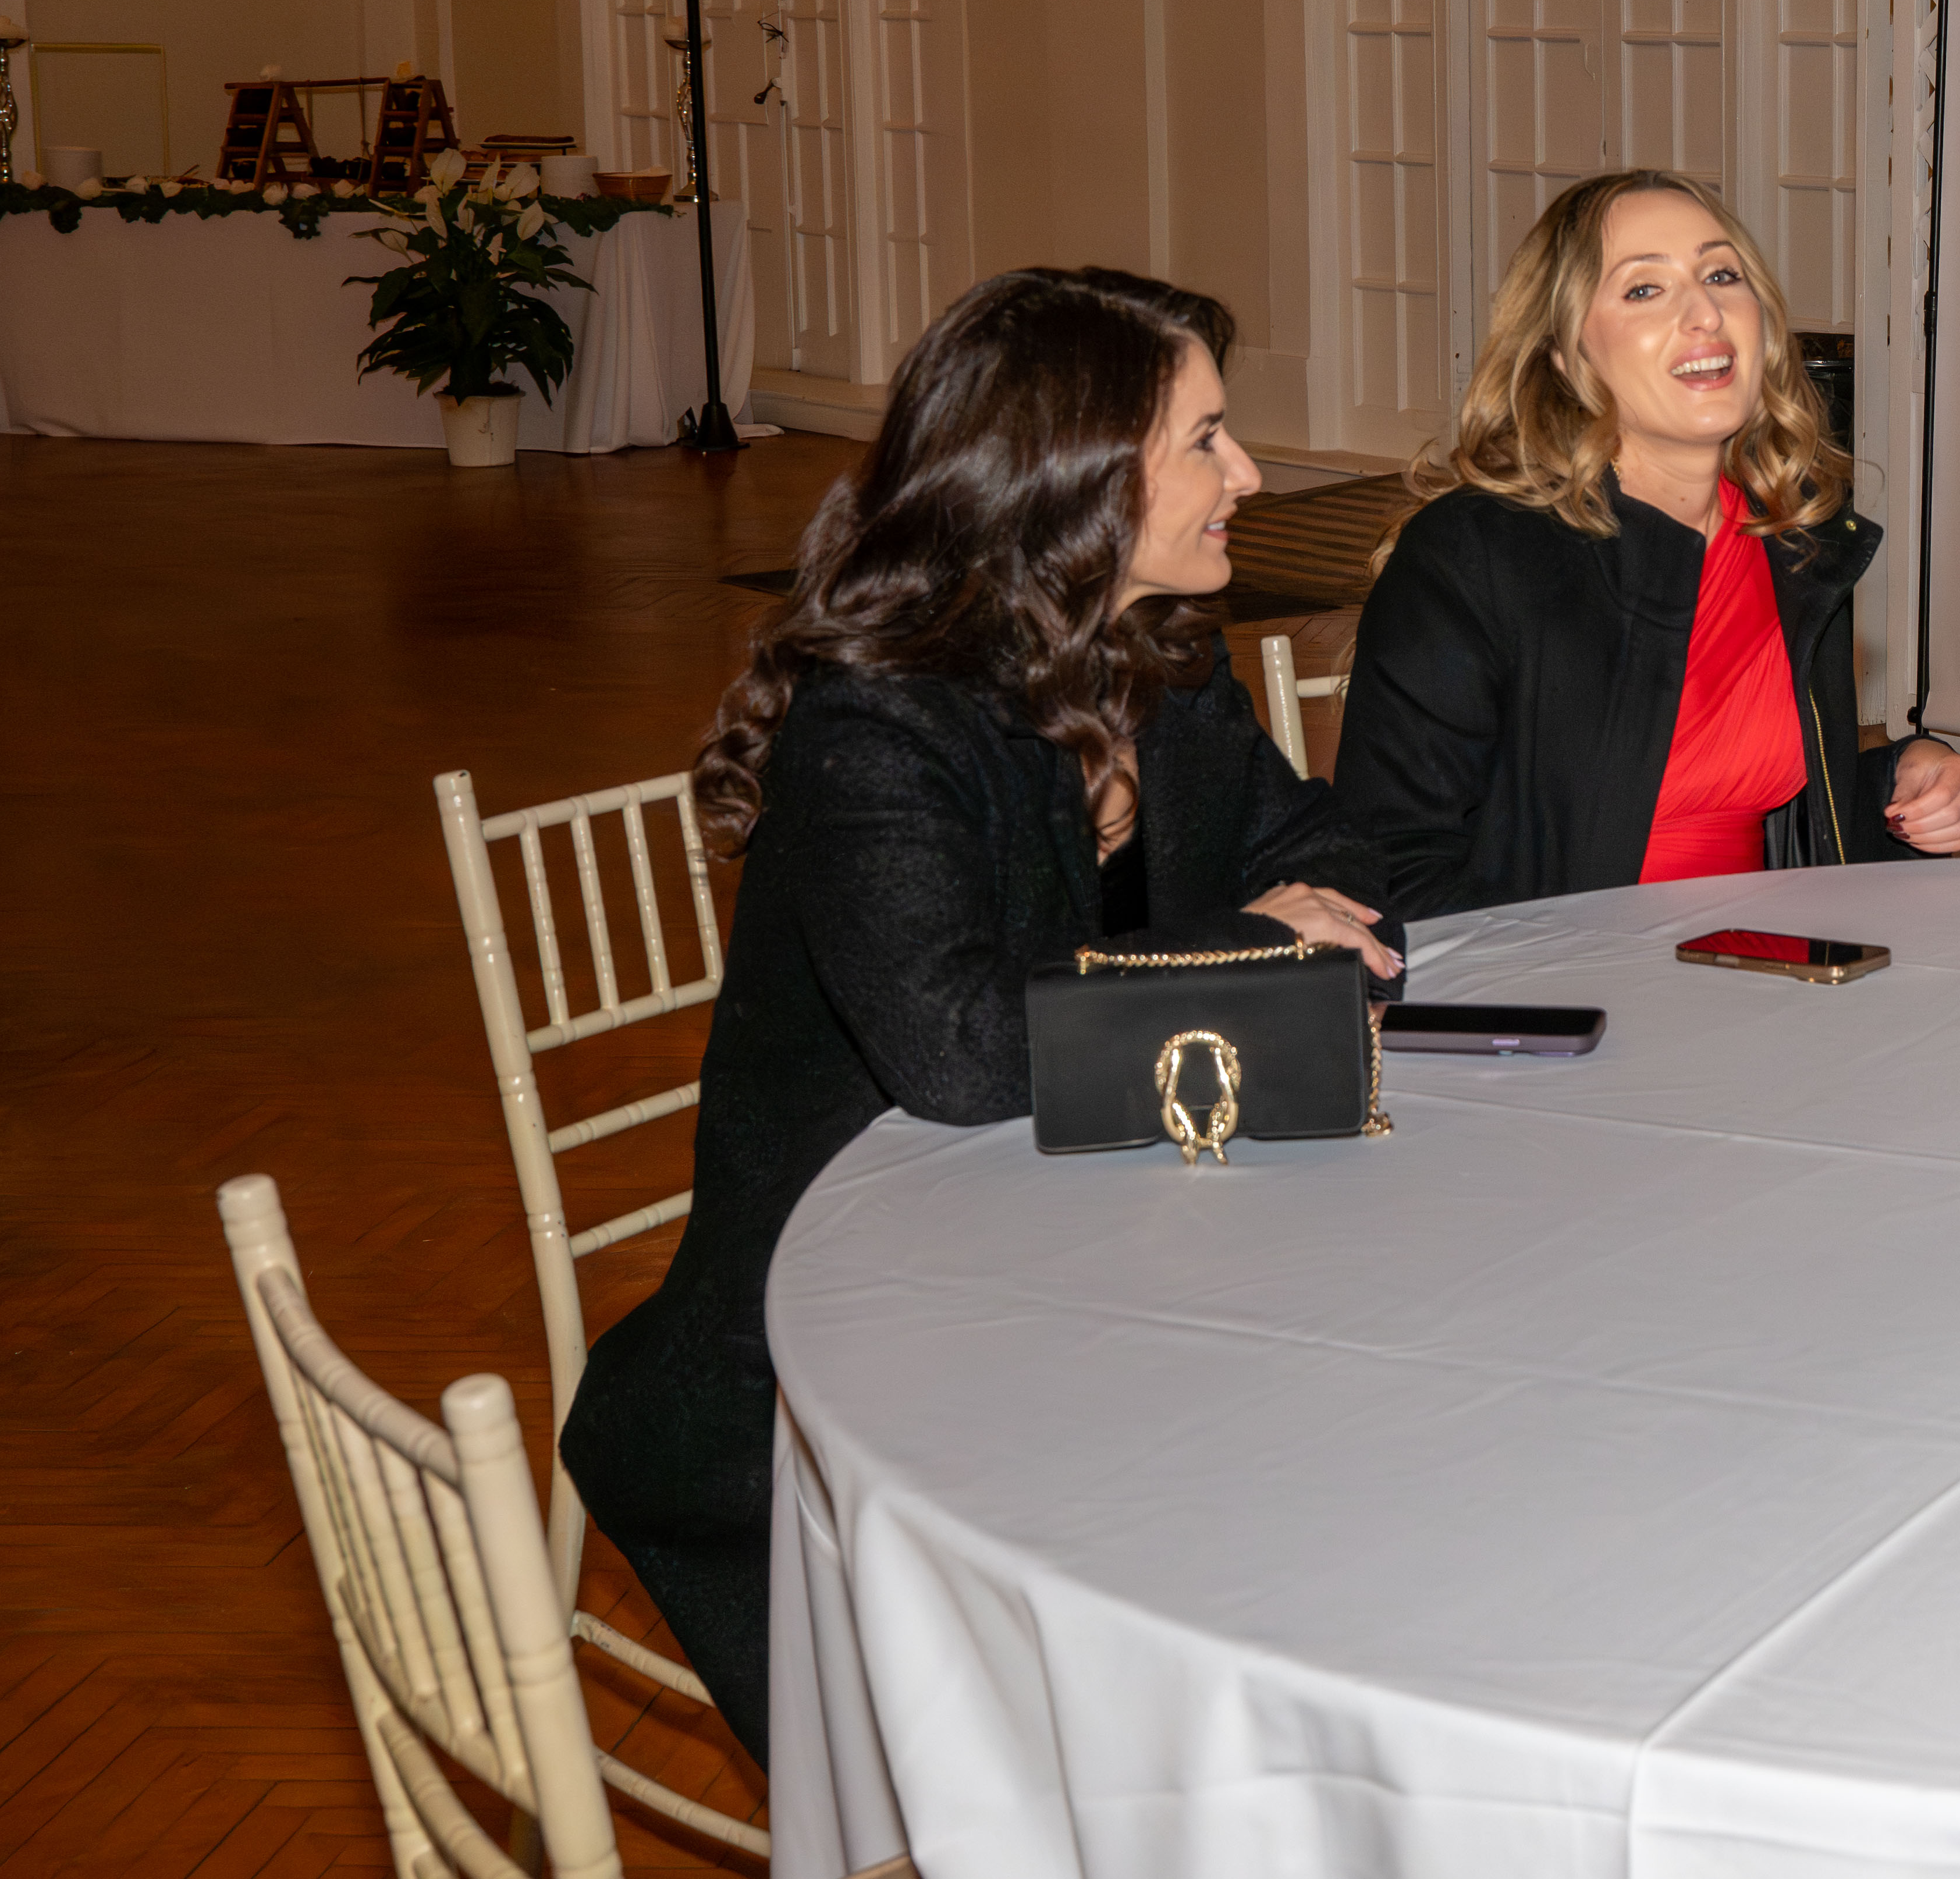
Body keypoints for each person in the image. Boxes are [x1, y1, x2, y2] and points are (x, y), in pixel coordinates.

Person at [561, 266, 1397, 1750]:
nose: (1249, 475)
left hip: (1102, 1266)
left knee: (1341, 1471)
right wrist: (1249, 944)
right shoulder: (879, 716)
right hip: (834, 1359)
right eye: (1206, 438)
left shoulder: (1154, 651)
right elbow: (953, 1049)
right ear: (1074, 479)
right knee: (1123, 1659)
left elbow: (1317, 849)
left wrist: (1284, 916)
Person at [1330, 169, 1960, 916]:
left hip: (1757, 968)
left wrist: (1909, 780)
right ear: (1565, 354)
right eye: (1645, 289)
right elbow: (1391, 866)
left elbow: (1779, 827)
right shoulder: (1475, 554)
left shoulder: (1795, 545)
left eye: (1721, 274)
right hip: (1565, 1000)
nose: (1704, 311)